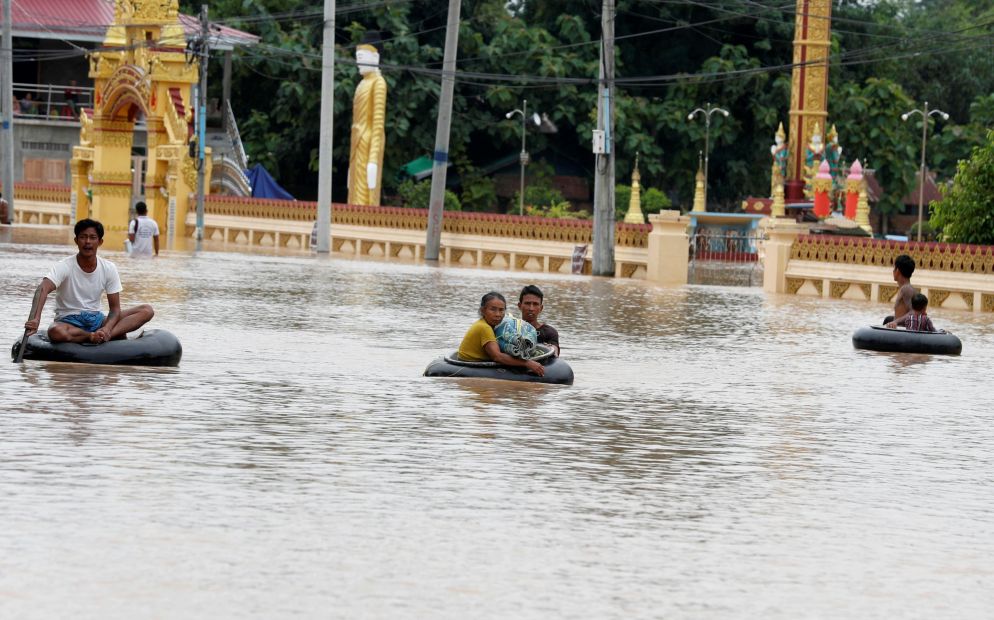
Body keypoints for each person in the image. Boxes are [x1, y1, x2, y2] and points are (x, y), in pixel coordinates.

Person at [23, 218, 155, 344]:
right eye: (83, 237)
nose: (87, 242)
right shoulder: (64, 266)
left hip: (97, 319)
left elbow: (115, 310)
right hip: (68, 321)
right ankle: (91, 336)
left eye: (92, 238)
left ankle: (105, 335)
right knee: (55, 331)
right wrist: (36, 318)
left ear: (100, 242)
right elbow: (43, 288)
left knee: (146, 310)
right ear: (76, 240)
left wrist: (107, 328)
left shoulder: (109, 268)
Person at [457, 291, 544, 376]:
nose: (498, 314)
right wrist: (527, 363)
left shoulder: (486, 324)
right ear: (483, 310)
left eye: (501, 310)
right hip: (468, 365)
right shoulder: (484, 328)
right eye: (493, 309)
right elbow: (497, 357)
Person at [518, 284, 560, 356]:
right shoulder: (510, 329)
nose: (531, 308)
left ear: (541, 308)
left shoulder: (549, 332)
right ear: (519, 306)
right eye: (527, 303)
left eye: (535, 304)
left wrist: (550, 349)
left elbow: (555, 350)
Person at [883, 254, 917, 325]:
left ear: (897, 271)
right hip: (898, 330)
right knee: (888, 319)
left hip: (901, 332)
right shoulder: (906, 288)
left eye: (894, 268)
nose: (893, 271)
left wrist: (896, 321)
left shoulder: (906, 289)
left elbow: (914, 312)